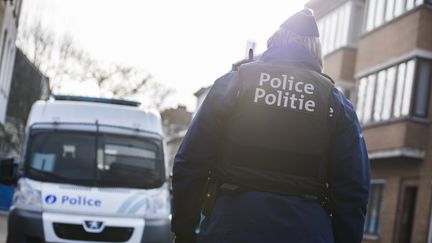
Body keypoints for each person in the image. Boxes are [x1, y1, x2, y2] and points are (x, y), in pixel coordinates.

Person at [171, 8, 370, 243]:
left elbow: (191, 161)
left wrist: (184, 231)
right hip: (306, 232)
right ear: (316, 51)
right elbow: (353, 190)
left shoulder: (235, 85)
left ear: (273, 42)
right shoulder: (334, 102)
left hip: (230, 228)